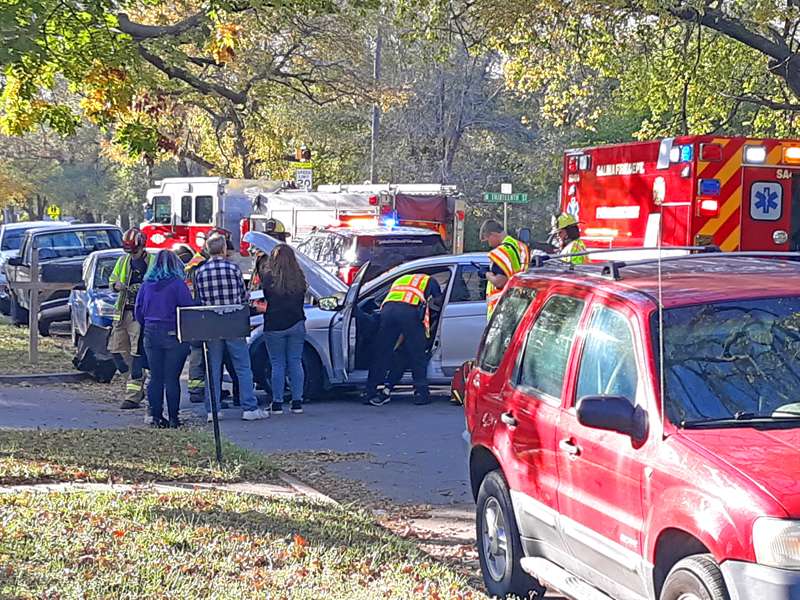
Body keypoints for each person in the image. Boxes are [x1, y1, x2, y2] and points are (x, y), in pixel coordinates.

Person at [193, 233, 268, 422]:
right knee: (242, 366)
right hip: (233, 322)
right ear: (224, 249)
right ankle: (249, 408)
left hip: (211, 325)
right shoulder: (233, 268)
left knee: (213, 368)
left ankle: (213, 410)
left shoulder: (200, 271)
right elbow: (243, 297)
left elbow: (200, 299)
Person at [134, 250, 194, 428]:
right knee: (172, 378)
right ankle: (174, 417)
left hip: (151, 333)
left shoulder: (146, 285)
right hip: (173, 333)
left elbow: (138, 311)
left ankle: (155, 415)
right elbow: (187, 309)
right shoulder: (177, 285)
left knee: (156, 376)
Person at [363, 273, 442, 407]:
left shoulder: (401, 278)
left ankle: (370, 391)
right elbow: (439, 301)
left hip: (387, 311)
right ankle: (421, 394)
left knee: (382, 352)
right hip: (409, 312)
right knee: (416, 352)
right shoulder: (430, 280)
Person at [254, 244, 308, 415]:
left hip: (274, 324)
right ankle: (297, 402)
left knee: (277, 363)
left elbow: (264, 299)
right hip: (296, 323)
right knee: (295, 361)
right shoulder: (299, 277)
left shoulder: (269, 278)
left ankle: (277, 403)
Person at [108, 227, 155, 409]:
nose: (132, 255)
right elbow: (112, 280)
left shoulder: (152, 261)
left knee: (136, 354)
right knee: (116, 351)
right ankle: (136, 382)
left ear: (142, 246)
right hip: (123, 312)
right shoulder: (123, 261)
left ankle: (133, 396)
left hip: (140, 314)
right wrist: (116, 285)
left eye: (134, 251)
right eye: (129, 251)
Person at [480, 219, 530, 319]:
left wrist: (486, 273)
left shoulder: (501, 252)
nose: (489, 244)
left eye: (488, 240)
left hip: (502, 310)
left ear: (493, 234)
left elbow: (499, 282)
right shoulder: (521, 246)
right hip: (519, 305)